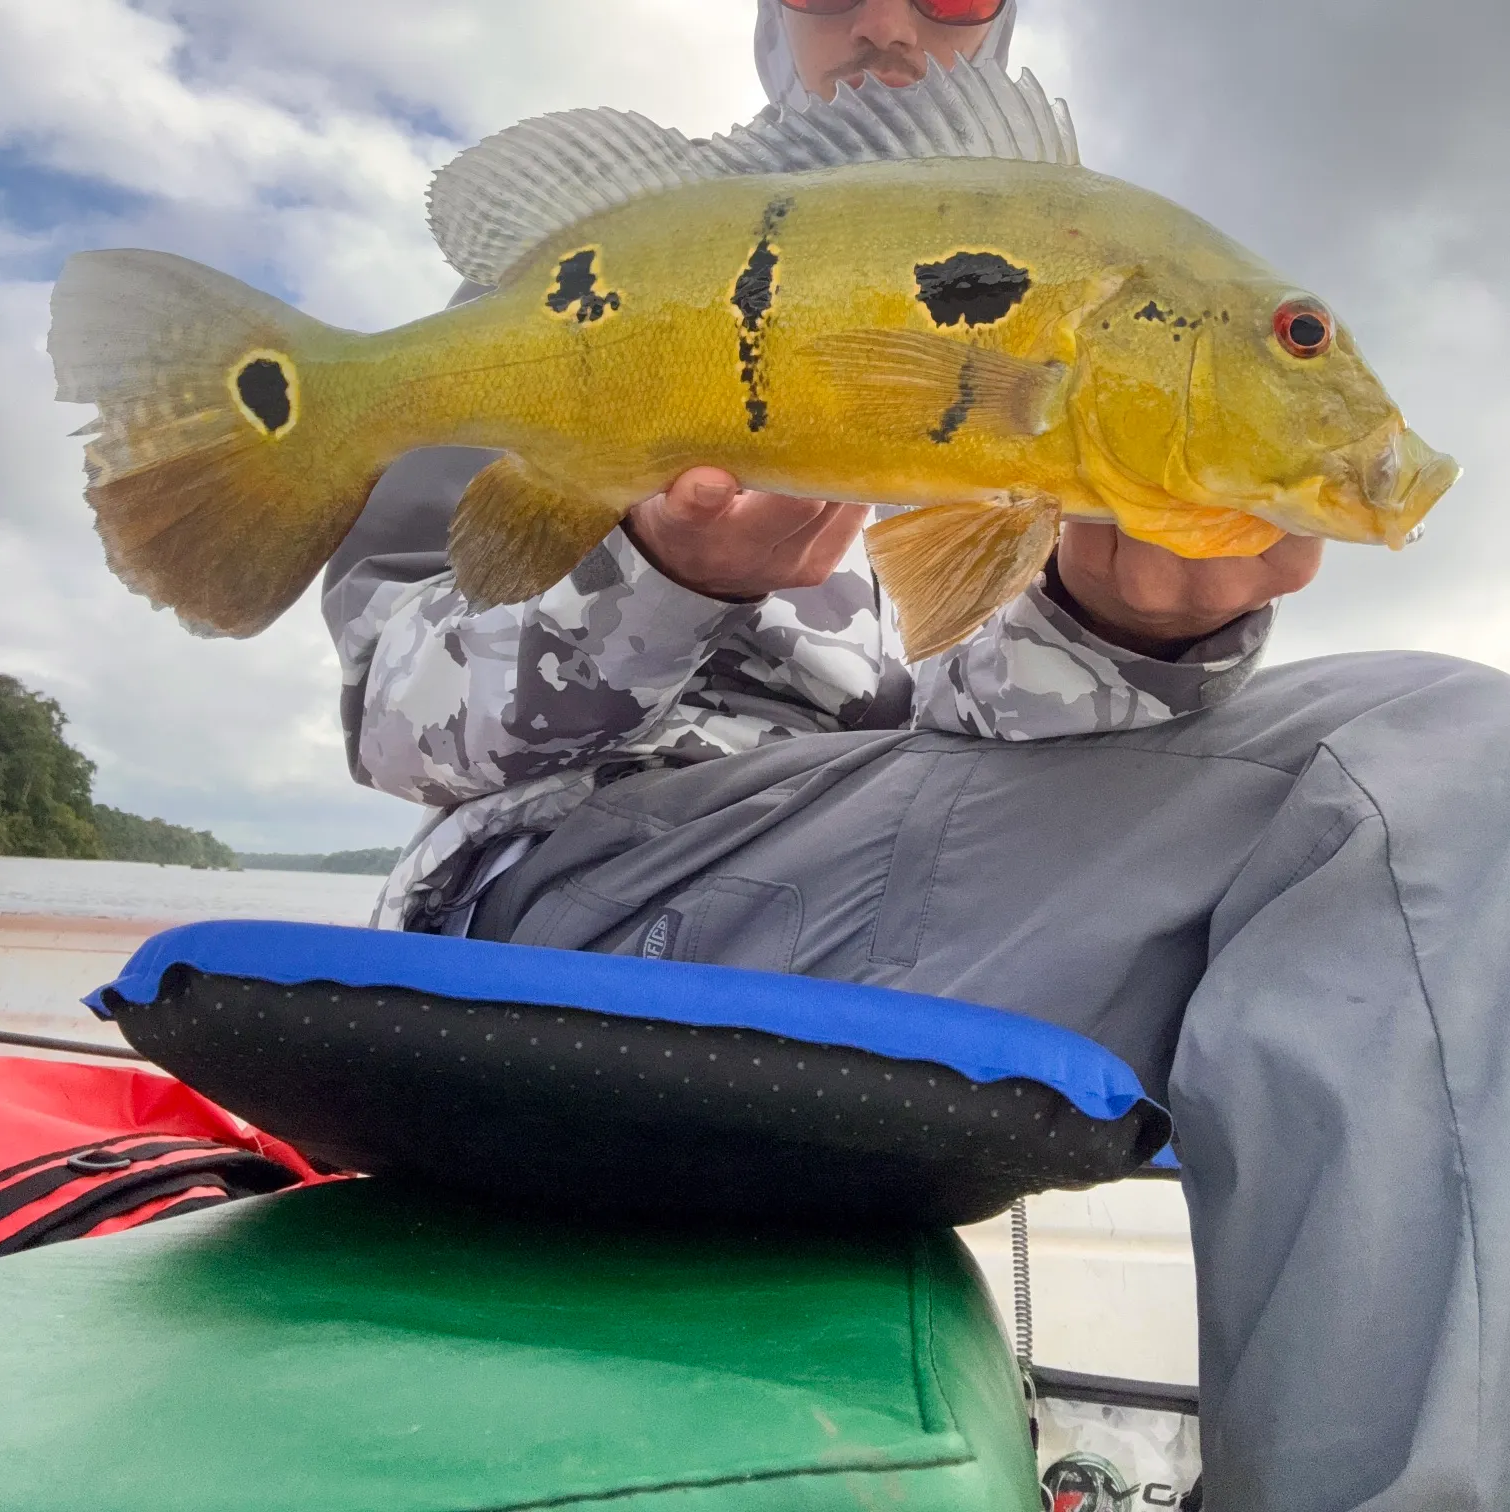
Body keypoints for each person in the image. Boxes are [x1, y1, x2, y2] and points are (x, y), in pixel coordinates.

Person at [322, 3, 1510, 1508]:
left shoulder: (1063, 291)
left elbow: (988, 741)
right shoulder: (593, 286)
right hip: (580, 894)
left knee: (1458, 772)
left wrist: (1122, 627)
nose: (888, 21)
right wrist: (667, 575)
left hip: (890, 898)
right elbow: (395, 721)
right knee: (1425, 756)